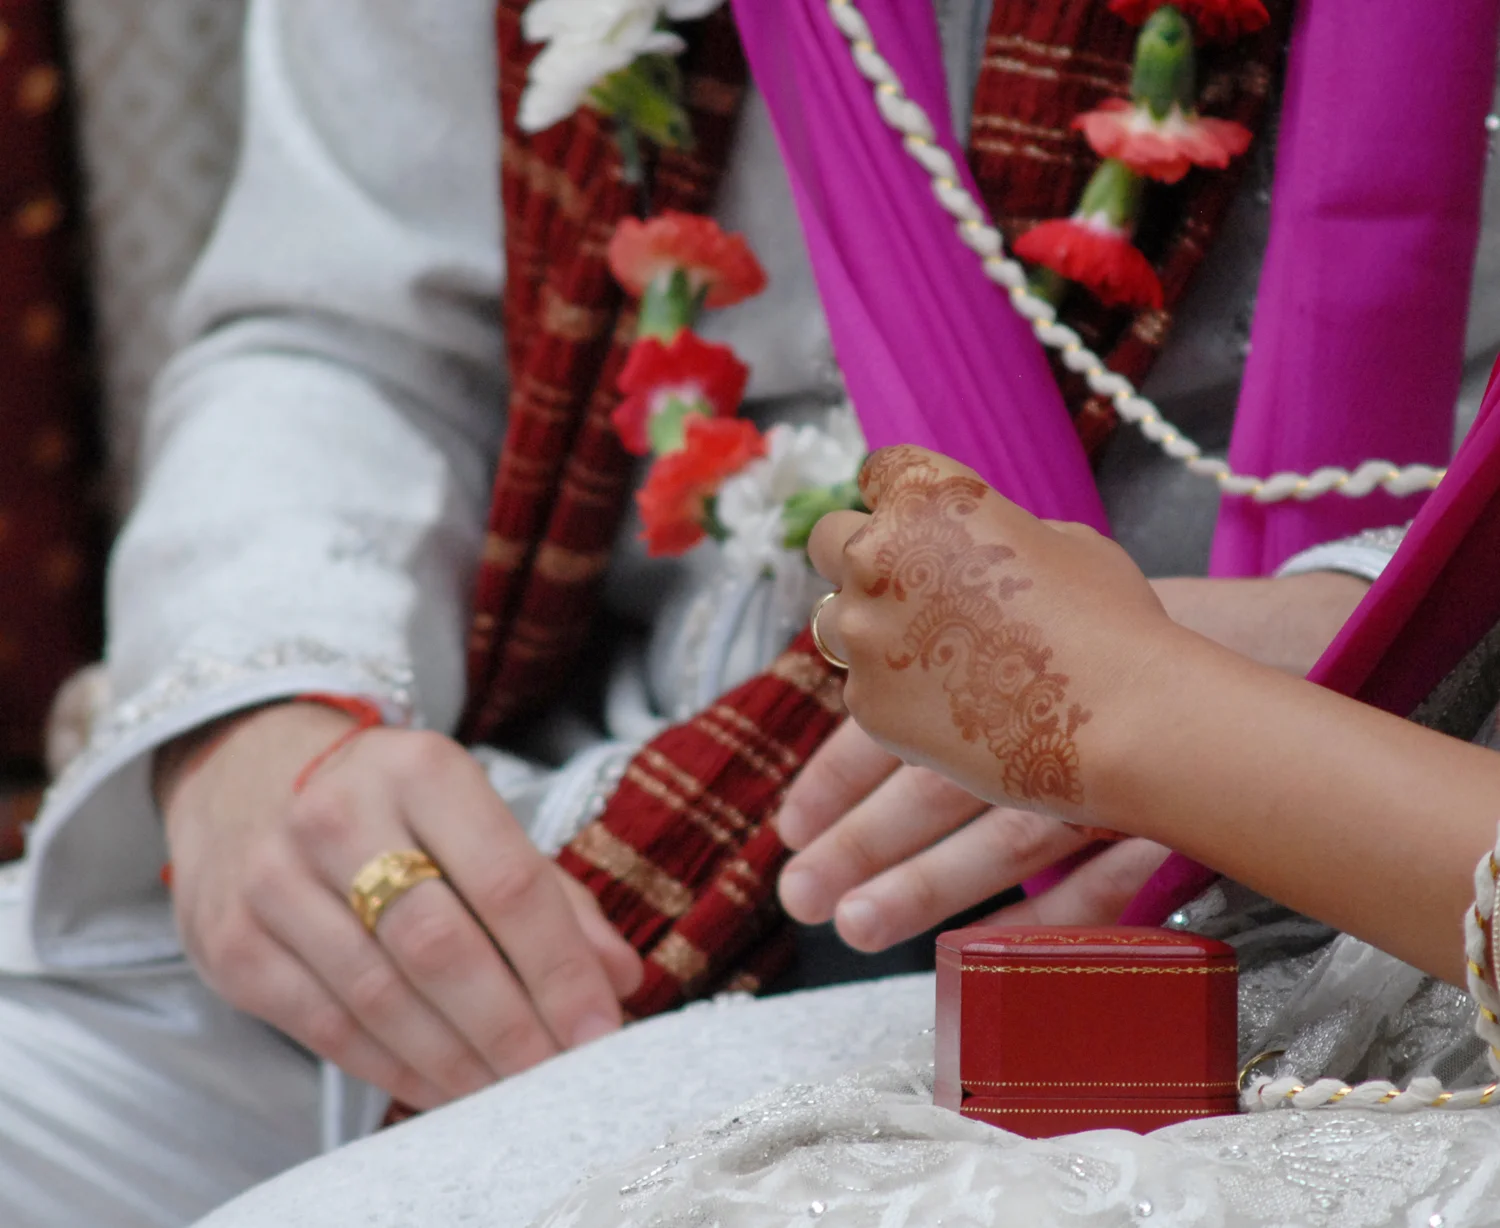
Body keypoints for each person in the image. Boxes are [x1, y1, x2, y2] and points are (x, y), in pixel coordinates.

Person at [1, 1, 1497, 1224]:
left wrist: (1369, 630)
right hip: (612, 818)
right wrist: (264, 716)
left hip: (1287, 899)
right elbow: (345, 331)